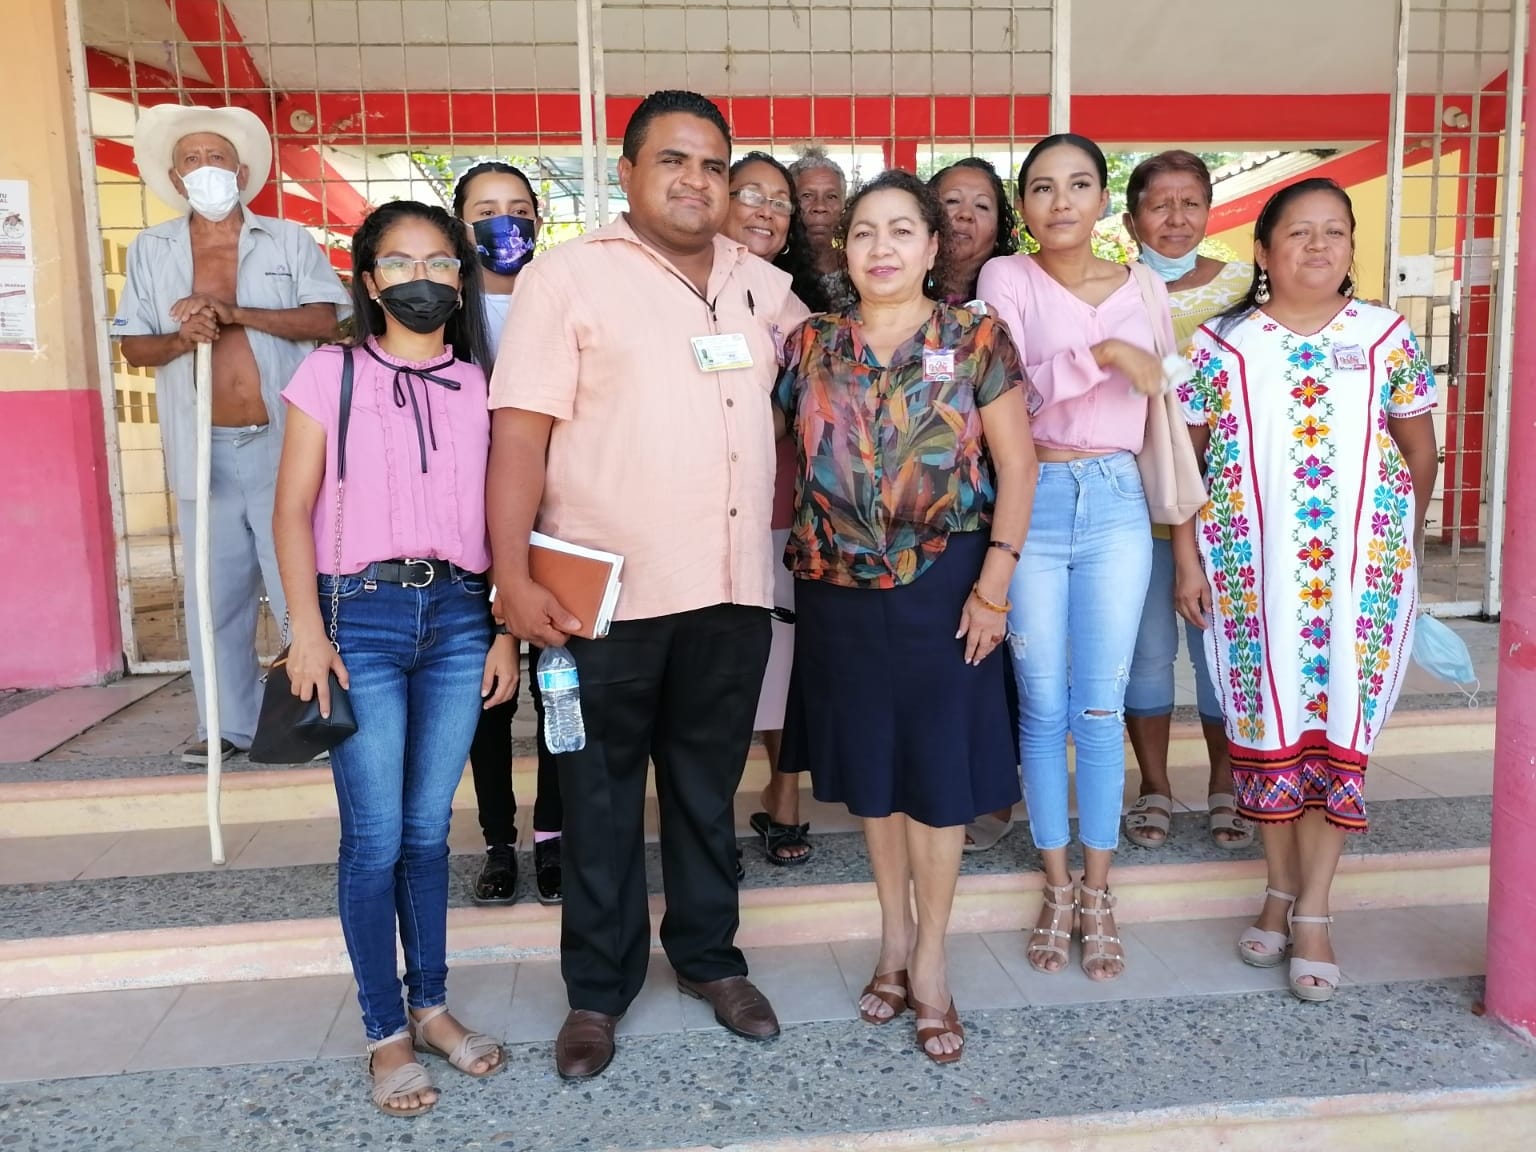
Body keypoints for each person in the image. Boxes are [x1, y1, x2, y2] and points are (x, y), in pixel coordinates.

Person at [486, 90, 810, 1081]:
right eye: (674, 161)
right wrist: (509, 574)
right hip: (603, 602)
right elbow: (519, 432)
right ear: (626, 173)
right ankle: (597, 990)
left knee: (706, 795)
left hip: (729, 592)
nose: (696, 181)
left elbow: (839, 375)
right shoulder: (568, 278)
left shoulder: (764, 284)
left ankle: (710, 958)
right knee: (597, 797)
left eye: (714, 166)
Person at [777, 169, 1035, 1064]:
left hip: (945, 584)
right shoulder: (807, 343)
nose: (880, 248)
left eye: (900, 231)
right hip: (836, 588)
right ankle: (891, 938)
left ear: (933, 246)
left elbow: (1019, 465)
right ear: (841, 250)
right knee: (878, 778)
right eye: (862, 233)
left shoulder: (974, 338)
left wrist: (994, 583)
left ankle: (931, 961)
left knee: (935, 778)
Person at [273, 200, 514, 1115]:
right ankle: (386, 1033)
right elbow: (290, 507)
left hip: (458, 615)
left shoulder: (484, 382)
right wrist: (307, 627)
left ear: (461, 278)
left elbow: (506, 518)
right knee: (374, 838)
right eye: (401, 261)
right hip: (358, 616)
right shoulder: (329, 372)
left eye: (442, 261)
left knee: (425, 832)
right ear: (369, 280)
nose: (425, 276)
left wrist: (502, 632)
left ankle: (434, 1005)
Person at [1175, 178, 1438, 1002]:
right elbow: (1186, 466)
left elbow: (1419, 453)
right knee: (1268, 736)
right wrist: (1187, 559)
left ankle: (1313, 908)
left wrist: (1393, 545)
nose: (1317, 246)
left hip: (1358, 585)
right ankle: (1278, 887)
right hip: (1253, 582)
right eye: (1298, 233)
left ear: (1351, 249)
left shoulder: (1387, 336)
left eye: (1334, 232)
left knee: (1339, 736)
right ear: (1263, 251)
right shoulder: (1222, 348)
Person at [977, 134, 1173, 982]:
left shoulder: (1146, 287)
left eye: (1080, 185)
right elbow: (1003, 391)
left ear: (1104, 199)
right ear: (1023, 207)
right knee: (1043, 707)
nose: (1061, 201)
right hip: (1037, 497)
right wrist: (1101, 356)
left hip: (1120, 502)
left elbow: (1170, 393)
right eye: (1043, 188)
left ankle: (1099, 888)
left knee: (1099, 709)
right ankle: (1055, 885)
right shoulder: (1005, 280)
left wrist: (1139, 360)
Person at [114, 103, 348, 764]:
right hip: (203, 449)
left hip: (285, 444)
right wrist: (184, 336)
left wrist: (233, 312)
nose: (207, 168)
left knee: (302, 585)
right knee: (216, 596)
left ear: (242, 171)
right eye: (193, 159)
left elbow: (325, 321)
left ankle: (319, 715)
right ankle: (226, 725)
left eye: (218, 157)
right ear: (174, 175)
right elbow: (134, 348)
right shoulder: (153, 250)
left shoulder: (288, 240)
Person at [1119, 151, 1254, 851]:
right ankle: (1154, 785)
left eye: (1190, 203)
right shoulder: (1114, 288)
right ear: (1131, 216)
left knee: (1217, 649)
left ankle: (1225, 782)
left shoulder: (1245, 289)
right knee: (1145, 651)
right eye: (1159, 204)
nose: (1176, 219)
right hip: (1136, 499)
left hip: (1225, 502)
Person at [452, 161, 564, 906]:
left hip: (556, 522)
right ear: (460, 223)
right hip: (464, 526)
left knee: (561, 688)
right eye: (487, 210)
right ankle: (500, 840)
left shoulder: (559, 300)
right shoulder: (444, 311)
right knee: (488, 696)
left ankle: (556, 836)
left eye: (518, 208)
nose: (505, 223)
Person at [723, 151, 821, 867]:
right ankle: (708, 814)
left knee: (787, 666)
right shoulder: (676, 287)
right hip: (696, 515)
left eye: (778, 200)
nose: (764, 209)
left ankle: (782, 799)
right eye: (749, 193)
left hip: (785, 509)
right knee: (715, 670)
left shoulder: (799, 305)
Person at [928, 157, 1023, 853]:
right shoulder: (890, 289)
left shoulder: (1020, 295)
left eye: (980, 204)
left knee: (1002, 650)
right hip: (930, 518)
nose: (963, 214)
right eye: (949, 201)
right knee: (943, 652)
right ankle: (941, 780)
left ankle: (997, 785)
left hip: (1012, 502)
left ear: (1001, 223)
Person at [929, 157, 1018, 304]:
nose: (965, 214)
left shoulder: (1018, 290)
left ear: (999, 229)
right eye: (952, 201)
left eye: (982, 206)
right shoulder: (899, 286)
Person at [788, 145, 858, 311]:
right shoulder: (774, 272)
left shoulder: (858, 267)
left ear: (843, 205)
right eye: (807, 196)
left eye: (831, 196)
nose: (820, 206)